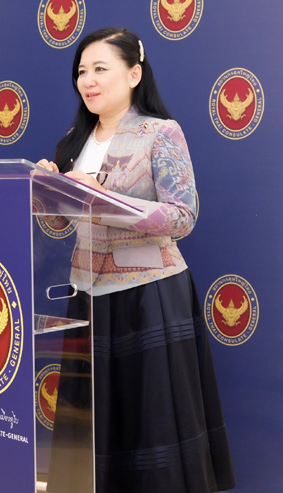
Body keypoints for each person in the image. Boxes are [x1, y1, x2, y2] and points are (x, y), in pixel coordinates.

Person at [37, 27, 235, 493]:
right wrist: (47, 189)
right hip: (86, 296)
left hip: (148, 296)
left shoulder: (160, 133)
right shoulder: (73, 141)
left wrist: (106, 200)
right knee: (93, 420)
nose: (88, 80)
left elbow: (182, 216)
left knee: (150, 418)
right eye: (81, 72)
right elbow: (63, 221)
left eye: (100, 69)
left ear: (133, 74)